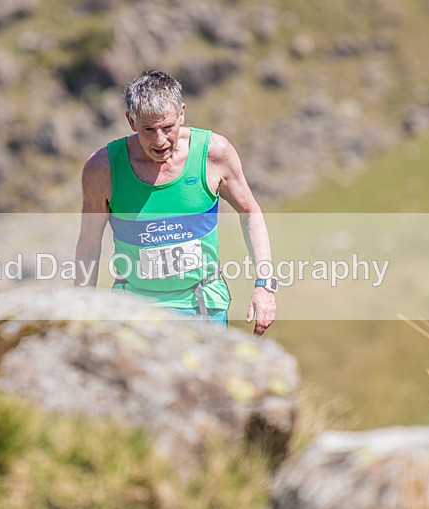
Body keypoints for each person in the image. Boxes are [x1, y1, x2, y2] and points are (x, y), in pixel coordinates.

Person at [74, 69, 277, 335]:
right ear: (131, 121)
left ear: (182, 113)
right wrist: (79, 310)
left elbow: (250, 212)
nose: (159, 141)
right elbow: (89, 243)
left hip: (203, 305)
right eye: (148, 129)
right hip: (133, 309)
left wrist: (265, 284)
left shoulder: (214, 154)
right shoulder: (103, 168)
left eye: (167, 127)